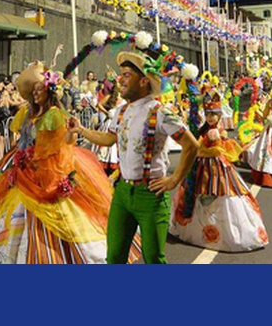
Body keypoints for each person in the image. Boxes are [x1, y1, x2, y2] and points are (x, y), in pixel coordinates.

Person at [0, 60, 134, 263]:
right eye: (34, 90)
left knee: (60, 217)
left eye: (40, 89)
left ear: (49, 92)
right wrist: (19, 158)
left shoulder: (55, 115)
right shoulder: (26, 113)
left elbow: (67, 141)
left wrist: (57, 148)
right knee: (17, 216)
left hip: (50, 170)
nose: (36, 93)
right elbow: (20, 139)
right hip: (25, 172)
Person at [70, 50, 201, 264]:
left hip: (151, 194)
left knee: (153, 259)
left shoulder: (160, 112)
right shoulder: (122, 111)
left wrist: (174, 180)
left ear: (143, 81)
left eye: (126, 75)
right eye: (120, 75)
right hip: (122, 192)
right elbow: (109, 138)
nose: (119, 79)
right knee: (114, 256)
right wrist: (81, 130)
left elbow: (191, 145)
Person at [170, 91, 269, 252]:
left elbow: (220, 150)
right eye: (208, 114)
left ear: (219, 115)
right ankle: (198, 230)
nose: (210, 118)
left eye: (213, 115)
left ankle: (224, 233)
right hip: (201, 167)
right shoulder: (203, 131)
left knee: (222, 194)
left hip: (217, 169)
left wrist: (204, 149)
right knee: (198, 195)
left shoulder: (220, 132)